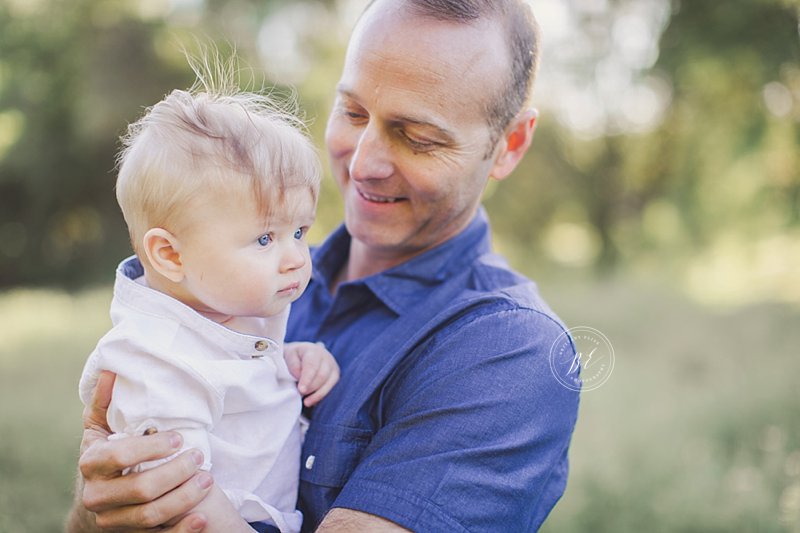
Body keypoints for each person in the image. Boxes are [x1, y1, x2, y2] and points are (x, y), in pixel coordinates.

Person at [67, 0, 581, 531]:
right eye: (353, 113)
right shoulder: (227, 286)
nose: (363, 164)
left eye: (418, 138)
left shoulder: (509, 352)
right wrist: (100, 502)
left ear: (509, 144)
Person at [73, 62, 340, 533]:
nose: (297, 256)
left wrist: (291, 362)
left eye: (300, 231)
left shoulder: (234, 314)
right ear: (170, 255)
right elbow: (180, 490)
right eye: (265, 239)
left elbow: (238, 388)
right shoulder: (159, 361)